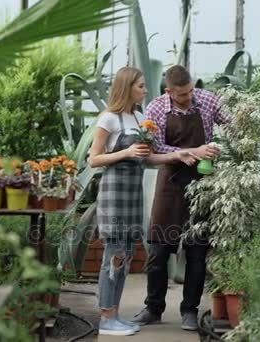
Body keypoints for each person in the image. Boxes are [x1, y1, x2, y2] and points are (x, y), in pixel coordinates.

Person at [89, 66, 197, 336]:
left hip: (133, 193)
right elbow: (93, 159)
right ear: (127, 87)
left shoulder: (138, 117)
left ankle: (114, 314)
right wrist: (125, 151)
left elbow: (148, 158)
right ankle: (106, 317)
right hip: (114, 193)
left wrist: (178, 155)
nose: (145, 90)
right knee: (113, 255)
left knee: (125, 254)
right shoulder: (109, 119)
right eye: (140, 86)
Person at [131, 65, 230, 331]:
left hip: (202, 183)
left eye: (190, 92)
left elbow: (234, 124)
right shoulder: (156, 108)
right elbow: (155, 148)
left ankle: (189, 310)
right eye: (182, 94)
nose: (188, 97)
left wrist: (219, 148)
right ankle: (153, 308)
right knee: (159, 251)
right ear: (169, 91)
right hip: (171, 183)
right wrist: (189, 151)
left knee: (197, 252)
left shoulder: (207, 99)